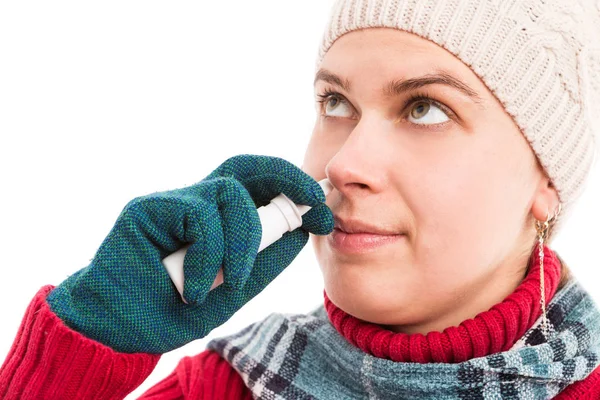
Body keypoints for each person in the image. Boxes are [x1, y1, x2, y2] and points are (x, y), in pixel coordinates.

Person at [1, 0, 599, 398]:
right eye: (335, 103)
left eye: (425, 108)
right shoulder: (228, 385)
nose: (344, 164)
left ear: (547, 178)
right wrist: (83, 347)